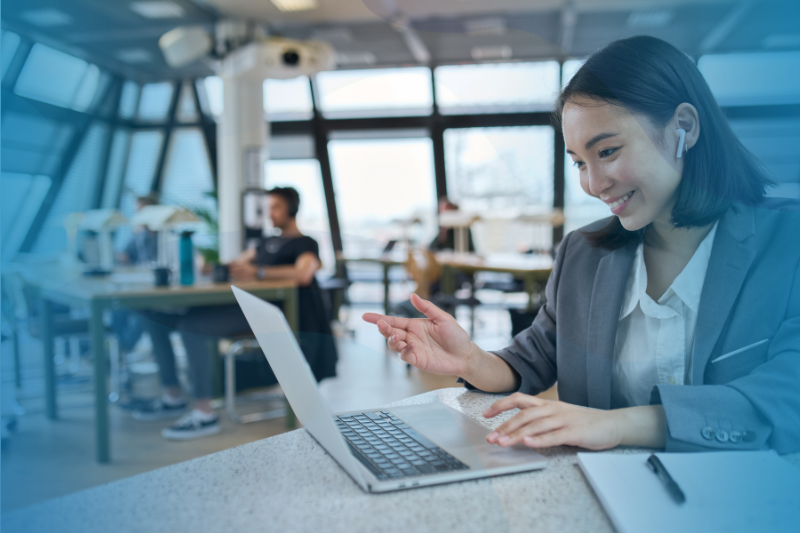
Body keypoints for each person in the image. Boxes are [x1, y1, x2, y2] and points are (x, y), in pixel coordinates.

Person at [364, 36, 800, 454]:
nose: (593, 184)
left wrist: (612, 425)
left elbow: (786, 398)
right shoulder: (584, 253)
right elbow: (536, 357)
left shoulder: (787, 243)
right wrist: (470, 359)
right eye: (578, 163)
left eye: (607, 151)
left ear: (682, 127)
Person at [136, 186, 338, 440]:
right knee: (156, 317)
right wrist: (213, 267)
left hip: (270, 313)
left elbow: (304, 273)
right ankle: (172, 394)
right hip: (246, 304)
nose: (270, 214)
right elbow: (238, 263)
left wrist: (259, 273)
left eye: (276, 208)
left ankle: (204, 413)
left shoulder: (305, 243)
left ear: (292, 210)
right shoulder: (265, 242)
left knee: (191, 325)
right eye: (267, 209)